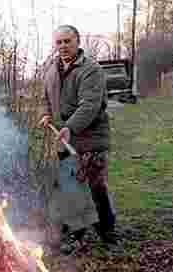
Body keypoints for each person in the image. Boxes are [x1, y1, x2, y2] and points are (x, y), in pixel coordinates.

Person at [39, 24, 117, 245]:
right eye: (59, 42)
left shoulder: (91, 70)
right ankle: (77, 232)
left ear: (77, 41)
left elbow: (90, 106)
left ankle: (106, 230)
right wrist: (46, 114)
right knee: (71, 186)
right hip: (65, 138)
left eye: (67, 41)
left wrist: (70, 127)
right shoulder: (51, 70)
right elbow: (45, 99)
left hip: (90, 138)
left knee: (94, 185)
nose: (63, 46)